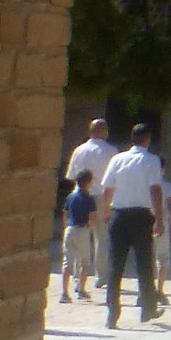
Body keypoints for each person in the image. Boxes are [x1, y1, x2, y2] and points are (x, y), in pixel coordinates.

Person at [98, 123, 167, 326]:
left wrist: (106, 211)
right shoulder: (151, 160)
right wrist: (160, 218)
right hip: (141, 215)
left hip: (119, 215)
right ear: (147, 139)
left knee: (115, 264)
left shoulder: (118, 159)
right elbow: (155, 189)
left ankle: (112, 312)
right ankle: (147, 308)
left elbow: (107, 188)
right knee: (144, 264)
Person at [64, 117, 115, 290]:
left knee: (81, 235)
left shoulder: (79, 150)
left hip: (81, 195)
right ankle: (101, 276)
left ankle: (80, 277)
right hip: (101, 196)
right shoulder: (111, 151)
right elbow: (114, 179)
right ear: (103, 131)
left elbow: (71, 176)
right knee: (102, 237)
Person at [57, 173, 96, 304]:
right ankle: (81, 289)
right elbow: (92, 217)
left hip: (70, 228)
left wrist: (65, 226)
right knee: (85, 261)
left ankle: (64, 292)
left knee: (67, 262)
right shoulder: (89, 198)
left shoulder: (70, 196)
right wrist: (90, 228)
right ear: (88, 182)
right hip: (82, 229)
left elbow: (65, 213)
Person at [154, 169, 171, 295]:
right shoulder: (166, 186)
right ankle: (159, 290)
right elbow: (170, 208)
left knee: (147, 257)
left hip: (145, 223)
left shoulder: (144, 185)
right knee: (162, 258)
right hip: (161, 223)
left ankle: (145, 290)